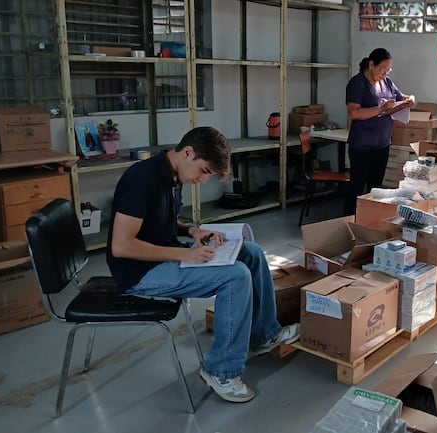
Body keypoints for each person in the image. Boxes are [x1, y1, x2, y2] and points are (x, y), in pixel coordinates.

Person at [106, 126, 299, 403]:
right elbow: (122, 246)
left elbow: (159, 220)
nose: (203, 180)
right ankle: (221, 371)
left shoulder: (172, 175)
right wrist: (185, 255)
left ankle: (264, 335)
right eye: (205, 171)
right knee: (236, 276)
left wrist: (192, 231)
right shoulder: (141, 179)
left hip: (164, 255)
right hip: (140, 273)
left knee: (252, 253)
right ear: (188, 152)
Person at [344, 47, 415, 215]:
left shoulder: (386, 82)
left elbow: (402, 97)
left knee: (376, 188)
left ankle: (370, 220)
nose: (385, 74)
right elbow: (354, 113)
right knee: (357, 186)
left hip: (382, 143)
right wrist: (381, 108)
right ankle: (349, 219)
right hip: (362, 145)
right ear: (371, 65)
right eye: (382, 69)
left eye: (388, 70)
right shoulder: (357, 83)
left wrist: (410, 100)